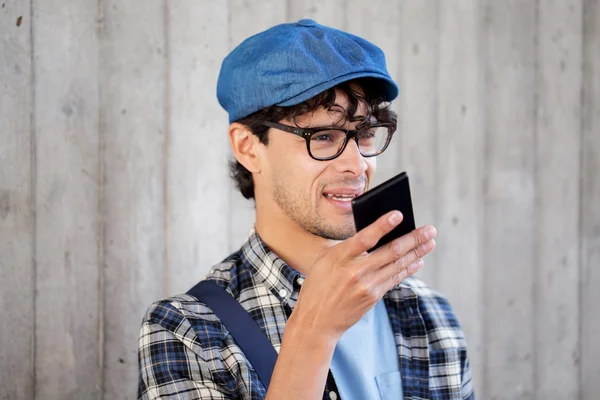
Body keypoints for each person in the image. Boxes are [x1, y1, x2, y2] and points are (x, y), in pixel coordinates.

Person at [138, 19, 474, 400]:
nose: (358, 164)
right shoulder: (188, 331)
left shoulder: (429, 315)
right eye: (324, 136)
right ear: (248, 147)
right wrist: (315, 331)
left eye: (363, 134)